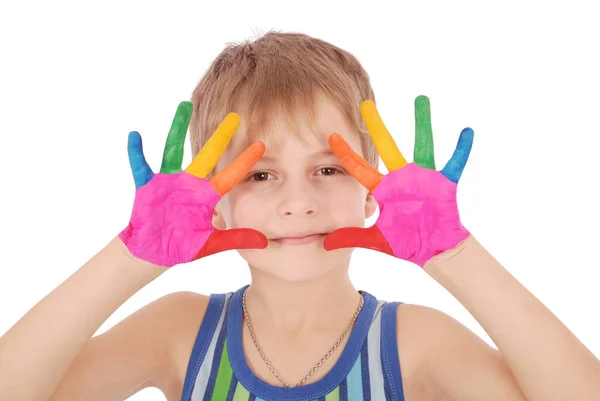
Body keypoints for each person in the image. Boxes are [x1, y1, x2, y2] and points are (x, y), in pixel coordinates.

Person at [1, 30, 599, 401]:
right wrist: (129, 258)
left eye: (329, 168)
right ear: (216, 199)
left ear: (373, 188)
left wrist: (458, 257)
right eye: (260, 175)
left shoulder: (415, 344)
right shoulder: (179, 334)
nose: (298, 202)